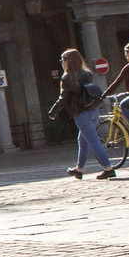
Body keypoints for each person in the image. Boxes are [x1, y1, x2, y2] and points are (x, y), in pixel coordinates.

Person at [48, 48, 114, 180]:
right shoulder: (86, 73)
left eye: (63, 60)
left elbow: (63, 98)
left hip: (81, 113)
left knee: (94, 142)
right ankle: (79, 170)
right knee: (82, 141)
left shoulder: (67, 77)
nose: (62, 62)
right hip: (93, 110)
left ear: (68, 62)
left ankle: (108, 168)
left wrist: (53, 111)